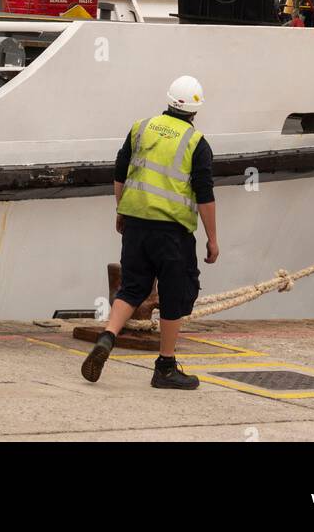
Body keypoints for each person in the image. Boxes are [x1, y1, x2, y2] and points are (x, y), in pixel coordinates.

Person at [81, 75, 218, 389]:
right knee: (175, 293)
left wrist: (121, 210)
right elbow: (205, 195)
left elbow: (120, 172)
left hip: (137, 223)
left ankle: (107, 336)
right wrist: (212, 238)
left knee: (132, 287)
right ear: (196, 110)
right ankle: (165, 367)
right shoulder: (196, 144)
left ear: (168, 100)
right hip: (173, 232)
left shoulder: (141, 128)